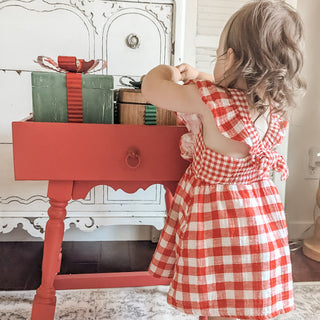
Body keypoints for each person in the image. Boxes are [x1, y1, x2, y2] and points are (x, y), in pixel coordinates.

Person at [141, 0, 306, 319]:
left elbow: (153, 89)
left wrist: (170, 71)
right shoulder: (274, 108)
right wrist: (200, 74)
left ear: (229, 58)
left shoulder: (205, 99)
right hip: (258, 226)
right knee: (246, 297)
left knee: (214, 295)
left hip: (215, 223)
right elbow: (228, 94)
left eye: (218, 56)